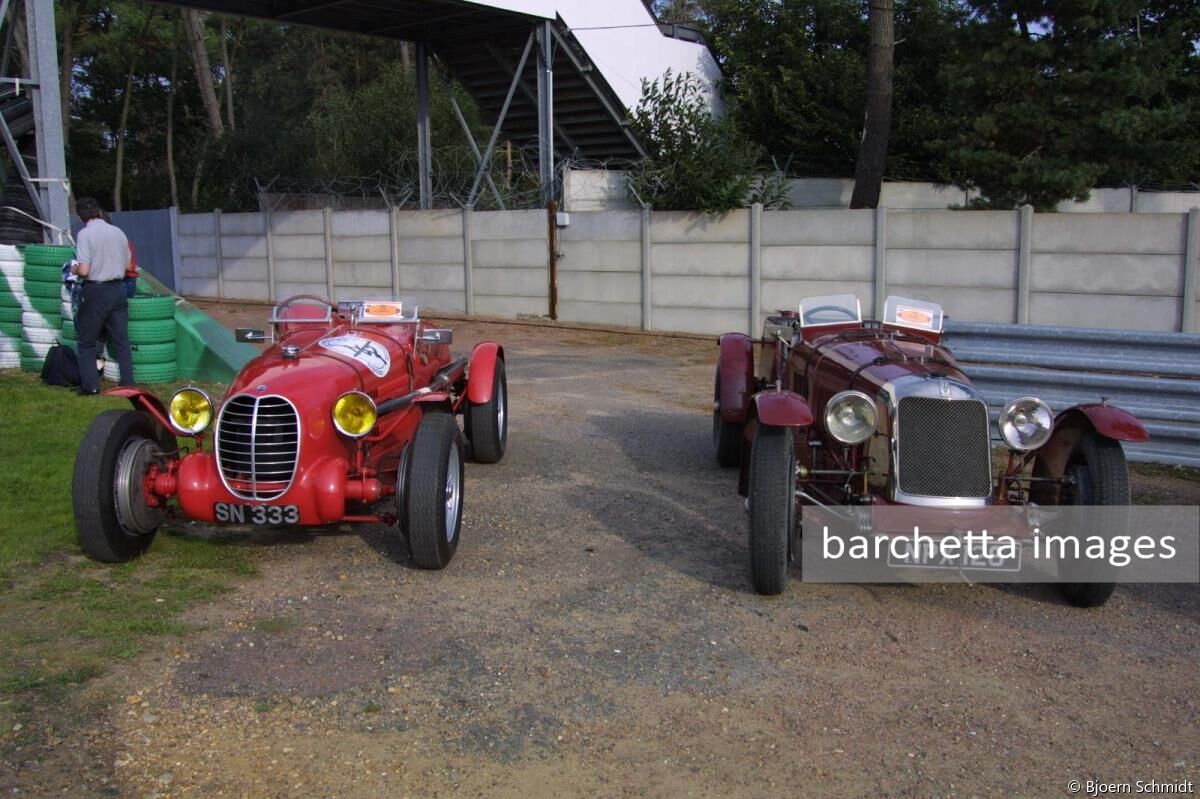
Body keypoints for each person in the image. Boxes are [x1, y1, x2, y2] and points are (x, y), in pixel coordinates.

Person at [72, 198, 133, 394]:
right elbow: (128, 266)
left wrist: (73, 268)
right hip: (118, 289)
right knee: (121, 340)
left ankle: (90, 386)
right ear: (98, 212)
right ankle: (128, 384)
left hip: (96, 290)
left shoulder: (84, 235)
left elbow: (84, 270)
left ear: (81, 217)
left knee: (87, 341)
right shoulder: (118, 232)